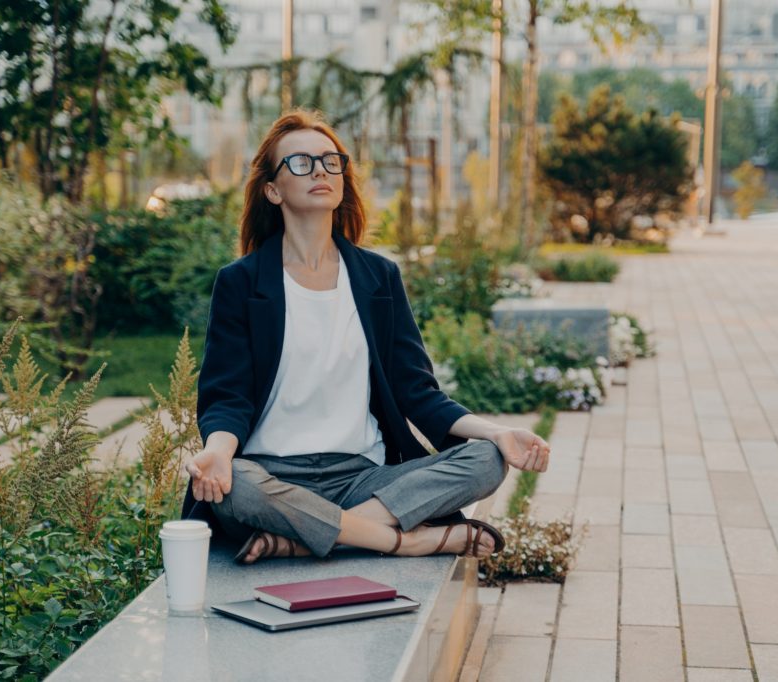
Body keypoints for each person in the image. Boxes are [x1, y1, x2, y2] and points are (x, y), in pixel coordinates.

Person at [180, 110, 550, 565]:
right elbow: (226, 395)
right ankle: (401, 540)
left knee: (487, 460)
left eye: (330, 161)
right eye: (300, 162)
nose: (319, 170)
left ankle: (305, 538)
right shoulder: (242, 282)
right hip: (272, 476)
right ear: (272, 190)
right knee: (238, 488)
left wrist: (499, 432)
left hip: (360, 477)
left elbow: (417, 392)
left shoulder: (378, 277)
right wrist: (217, 453)